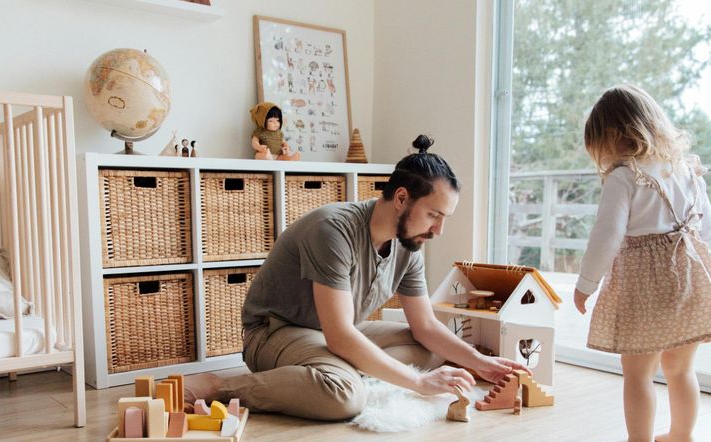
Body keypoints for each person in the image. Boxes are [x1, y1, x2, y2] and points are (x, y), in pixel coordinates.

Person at [184, 135, 529, 421]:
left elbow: (425, 326)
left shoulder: (409, 244)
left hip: (334, 332)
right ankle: (223, 387)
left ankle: (339, 371)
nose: (438, 230)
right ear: (401, 198)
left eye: (445, 218)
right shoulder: (332, 230)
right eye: (434, 215)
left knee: (430, 352)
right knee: (345, 397)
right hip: (276, 332)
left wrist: (483, 364)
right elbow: (340, 336)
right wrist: (418, 385)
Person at [573, 84, 711, 442]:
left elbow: (606, 237)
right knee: (680, 368)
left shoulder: (624, 176)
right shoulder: (687, 169)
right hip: (692, 275)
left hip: (646, 285)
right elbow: (707, 233)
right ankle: (682, 436)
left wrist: (585, 285)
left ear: (611, 136)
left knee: (638, 372)